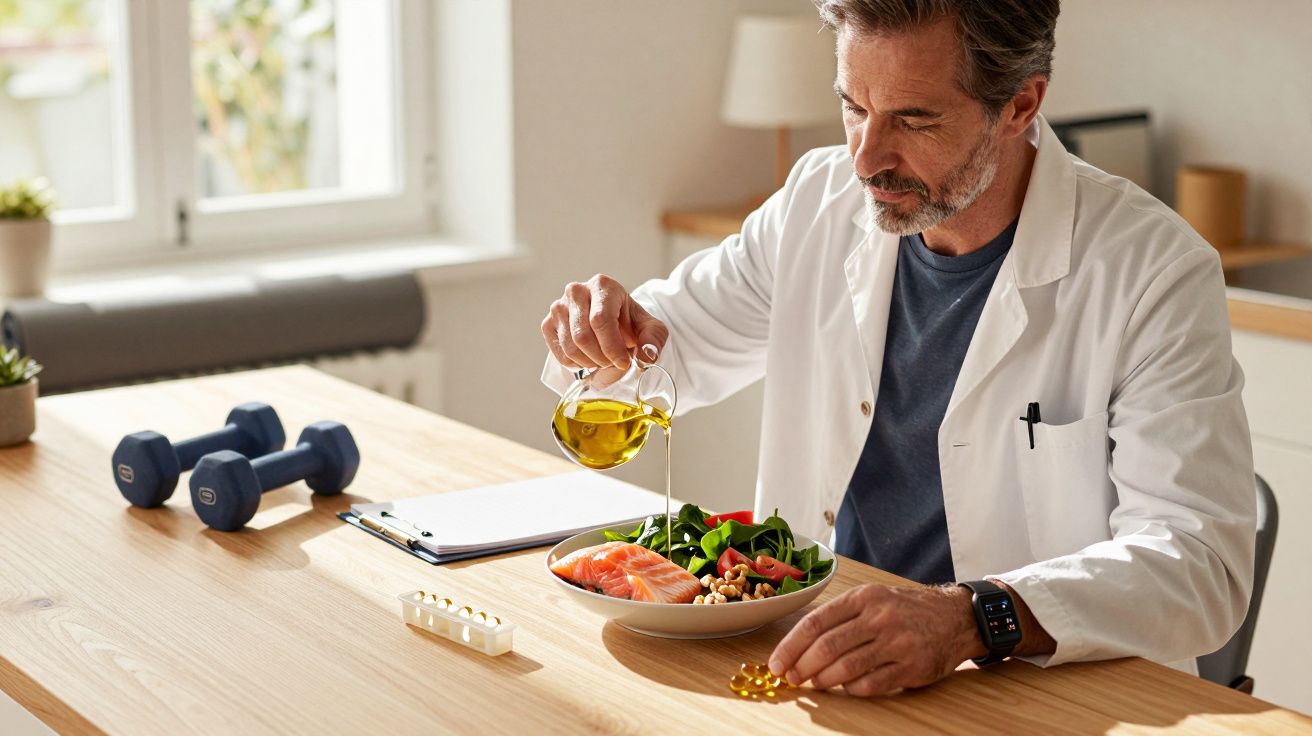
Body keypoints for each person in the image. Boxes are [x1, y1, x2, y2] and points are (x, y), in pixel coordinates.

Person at [541, 0, 1255, 697]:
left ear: (1019, 105)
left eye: (913, 119)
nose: (865, 157)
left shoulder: (1153, 273)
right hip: (818, 668)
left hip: (1035, 695)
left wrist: (972, 618)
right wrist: (602, 332)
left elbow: (1199, 567)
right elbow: (665, 351)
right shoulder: (815, 204)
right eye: (853, 106)